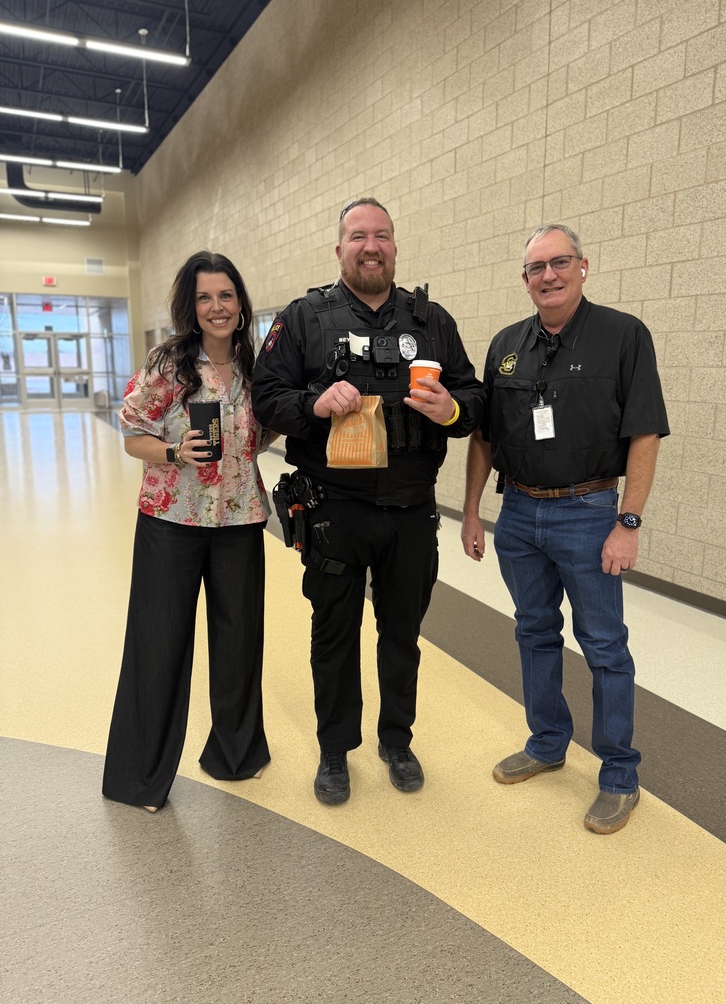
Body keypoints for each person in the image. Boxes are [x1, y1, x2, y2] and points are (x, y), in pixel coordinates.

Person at [252, 198, 485, 805]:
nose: (371, 246)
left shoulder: (431, 320)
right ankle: (335, 751)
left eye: (381, 236)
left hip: (410, 512)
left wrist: (452, 409)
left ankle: (397, 740)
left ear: (395, 247)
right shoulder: (304, 318)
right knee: (334, 633)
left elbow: (475, 399)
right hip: (332, 509)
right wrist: (313, 405)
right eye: (358, 236)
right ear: (339, 250)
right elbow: (265, 398)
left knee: (402, 633)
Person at [461, 223, 669, 835]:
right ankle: (548, 741)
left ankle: (619, 774)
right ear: (523, 279)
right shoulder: (507, 345)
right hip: (519, 515)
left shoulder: (623, 336)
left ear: (583, 267)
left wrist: (626, 521)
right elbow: (485, 438)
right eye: (535, 268)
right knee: (533, 630)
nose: (547, 276)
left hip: (589, 512)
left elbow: (645, 433)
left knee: (604, 645)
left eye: (559, 263)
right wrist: (473, 511)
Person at [102, 250, 272, 811]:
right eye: (205, 297)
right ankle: (141, 777)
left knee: (239, 644)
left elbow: (261, 433)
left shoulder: (255, 366)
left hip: (240, 521)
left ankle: (235, 754)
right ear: (191, 306)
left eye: (226, 295)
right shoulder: (169, 364)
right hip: (170, 522)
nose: (217, 307)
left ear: (241, 304)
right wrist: (175, 451)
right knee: (158, 644)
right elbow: (132, 435)